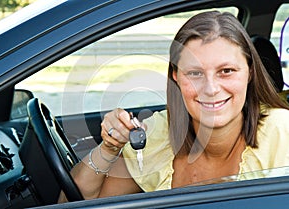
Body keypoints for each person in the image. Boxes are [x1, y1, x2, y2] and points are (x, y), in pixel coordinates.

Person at [58, 11, 289, 201]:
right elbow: (76, 203)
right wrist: (109, 147)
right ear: (176, 76)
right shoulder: (158, 134)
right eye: (195, 73)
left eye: (226, 71)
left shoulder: (282, 133)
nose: (210, 88)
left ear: (249, 72)